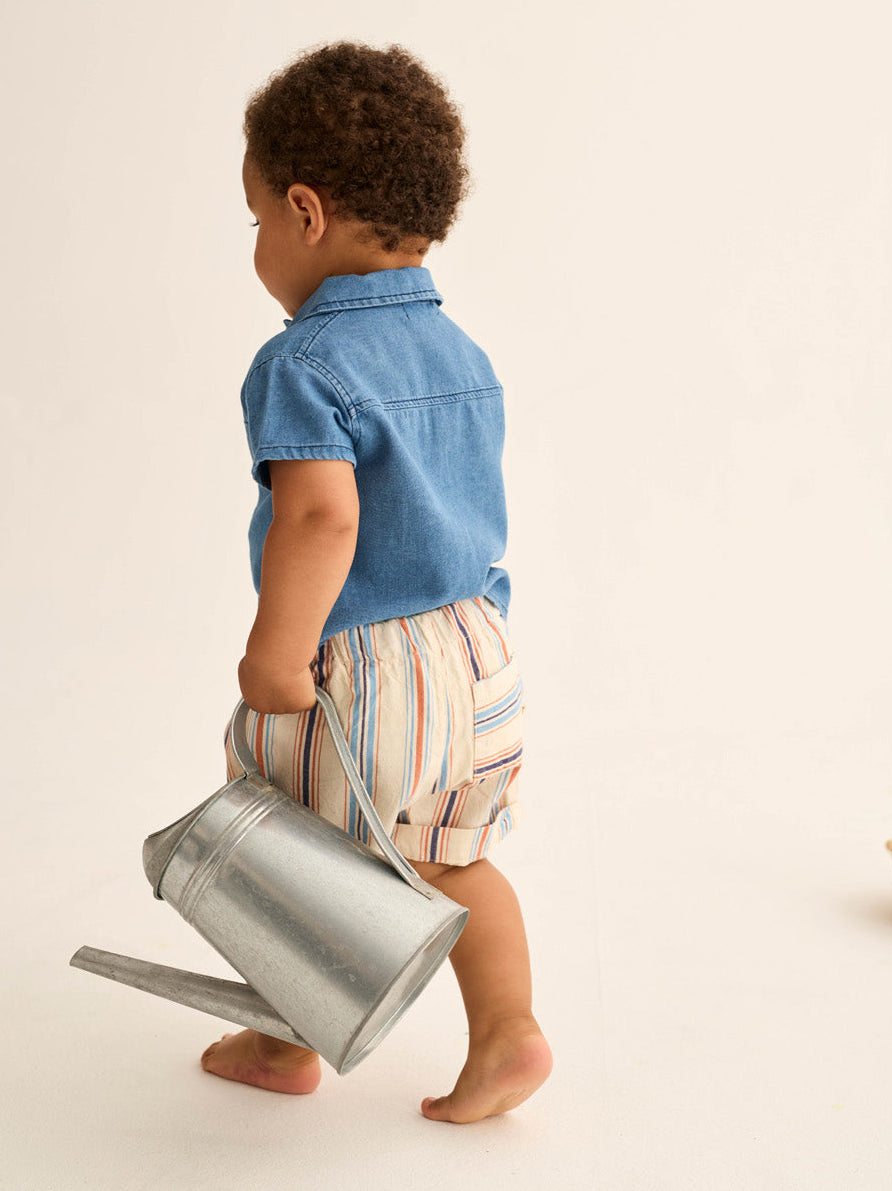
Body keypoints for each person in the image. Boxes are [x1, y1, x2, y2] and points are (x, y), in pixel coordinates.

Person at [198, 42, 552, 1123]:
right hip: (476, 652)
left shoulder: (303, 362)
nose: (257, 240)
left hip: (361, 663)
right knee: (446, 857)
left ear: (304, 211)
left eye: (255, 216)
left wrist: (275, 648)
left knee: (286, 855)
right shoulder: (459, 351)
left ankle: (280, 1041)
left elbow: (320, 513)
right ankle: (507, 1034)